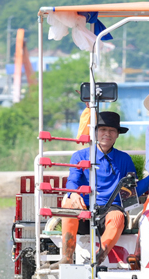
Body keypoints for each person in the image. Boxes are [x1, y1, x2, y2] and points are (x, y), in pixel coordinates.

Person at [58, 111, 137, 267]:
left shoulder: (124, 159)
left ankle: (100, 255)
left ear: (117, 135)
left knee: (117, 216)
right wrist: (73, 194)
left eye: (112, 130)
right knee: (67, 204)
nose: (107, 134)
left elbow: (131, 189)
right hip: (84, 212)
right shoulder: (79, 156)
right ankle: (67, 256)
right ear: (95, 132)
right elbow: (72, 181)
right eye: (102, 130)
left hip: (110, 211)